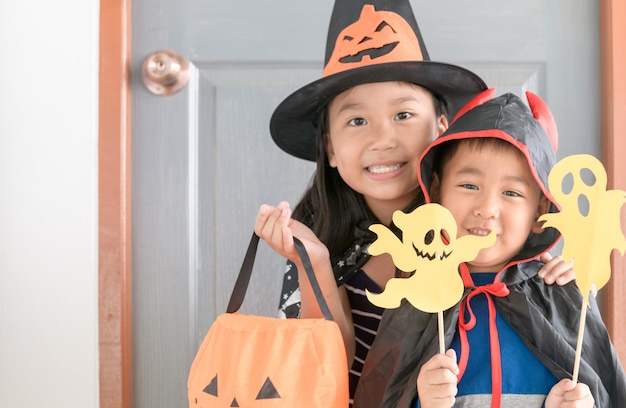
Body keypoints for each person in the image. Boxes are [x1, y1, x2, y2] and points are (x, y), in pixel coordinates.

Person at [256, 0, 574, 404]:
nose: (382, 139)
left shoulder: (475, 239)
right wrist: (313, 264)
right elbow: (317, 377)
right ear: (330, 147)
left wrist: (544, 274)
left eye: (403, 115)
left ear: (441, 128)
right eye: (357, 120)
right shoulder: (317, 244)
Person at [353, 91, 626, 408]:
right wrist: (424, 401)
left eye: (511, 192)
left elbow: (606, 392)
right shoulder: (419, 294)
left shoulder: (561, 294)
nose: (487, 208)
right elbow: (382, 395)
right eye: (469, 186)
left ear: (540, 212)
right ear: (438, 191)